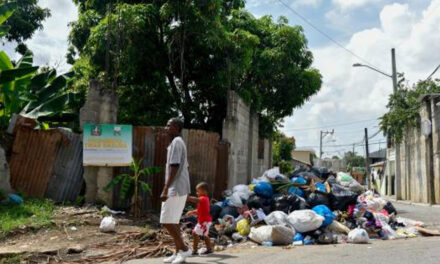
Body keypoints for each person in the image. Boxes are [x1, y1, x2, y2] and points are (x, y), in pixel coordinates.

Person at [160, 118, 192, 264]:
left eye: (169, 125)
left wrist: (166, 188)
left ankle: (184, 249)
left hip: (176, 188)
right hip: (179, 186)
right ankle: (179, 251)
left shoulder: (177, 143)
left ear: (177, 128)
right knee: (172, 220)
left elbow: (174, 165)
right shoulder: (178, 143)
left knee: (166, 220)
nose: (166, 128)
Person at [186, 182, 213, 255]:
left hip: (204, 221)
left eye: (198, 191)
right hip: (203, 221)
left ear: (204, 191)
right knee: (204, 235)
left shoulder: (203, 198)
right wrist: (192, 212)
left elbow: (196, 200)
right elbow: (200, 210)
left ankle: (195, 250)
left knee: (196, 234)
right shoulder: (204, 199)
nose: (197, 193)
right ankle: (207, 249)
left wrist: (188, 197)